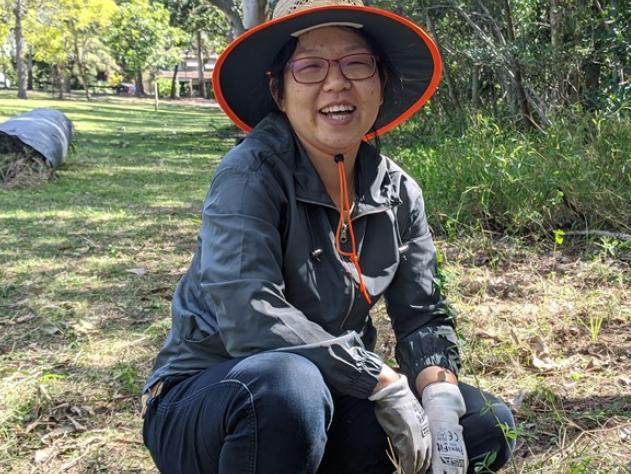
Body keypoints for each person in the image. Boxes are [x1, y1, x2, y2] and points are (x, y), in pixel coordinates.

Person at [140, 1, 516, 473]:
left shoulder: (399, 193)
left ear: (379, 83)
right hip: (219, 398)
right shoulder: (249, 174)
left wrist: (438, 399)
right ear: (278, 91)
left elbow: (423, 315)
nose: (336, 83)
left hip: (331, 394)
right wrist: (380, 379)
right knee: (287, 387)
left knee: (486, 424)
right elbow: (249, 315)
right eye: (310, 66)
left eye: (356, 64)